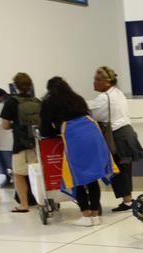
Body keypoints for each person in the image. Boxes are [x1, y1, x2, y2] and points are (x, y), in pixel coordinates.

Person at [40, 77, 116, 226]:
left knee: (78, 177)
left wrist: (54, 130)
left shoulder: (49, 102)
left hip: (73, 135)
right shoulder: (76, 98)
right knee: (93, 176)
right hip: (92, 130)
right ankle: (95, 215)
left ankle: (86, 215)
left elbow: (45, 130)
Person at [88, 66, 143, 212]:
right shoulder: (118, 93)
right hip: (128, 133)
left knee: (118, 170)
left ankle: (127, 201)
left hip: (117, 137)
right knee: (125, 169)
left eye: (98, 80)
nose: (94, 82)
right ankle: (128, 199)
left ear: (107, 82)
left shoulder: (103, 98)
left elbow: (93, 116)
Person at [0, 72, 41, 212]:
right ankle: (41, 200)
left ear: (15, 86)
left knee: (19, 174)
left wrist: (16, 126)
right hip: (36, 143)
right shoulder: (36, 101)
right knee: (37, 173)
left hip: (20, 144)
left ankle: (24, 204)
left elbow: (5, 125)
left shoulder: (11, 102)